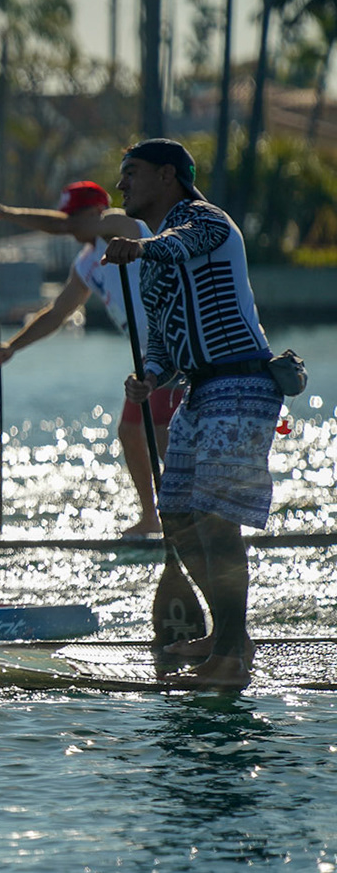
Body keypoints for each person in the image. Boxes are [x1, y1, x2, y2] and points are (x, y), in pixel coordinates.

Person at [101, 138, 285, 690]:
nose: (121, 185)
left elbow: (183, 244)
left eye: (130, 173)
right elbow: (160, 338)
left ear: (166, 176)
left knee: (215, 520)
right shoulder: (155, 252)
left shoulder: (207, 221)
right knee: (178, 514)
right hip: (199, 393)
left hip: (242, 383)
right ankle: (231, 636)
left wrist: (140, 251)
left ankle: (229, 659)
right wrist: (150, 378)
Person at [0, 180, 166, 537]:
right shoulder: (86, 263)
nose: (68, 226)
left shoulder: (122, 227)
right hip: (145, 357)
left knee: (161, 433)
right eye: (66, 218)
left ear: (96, 212)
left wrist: (6, 214)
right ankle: (152, 517)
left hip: (171, 348)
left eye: (74, 217)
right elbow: (56, 313)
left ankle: (192, 513)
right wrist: (11, 348)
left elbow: (61, 226)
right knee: (130, 431)